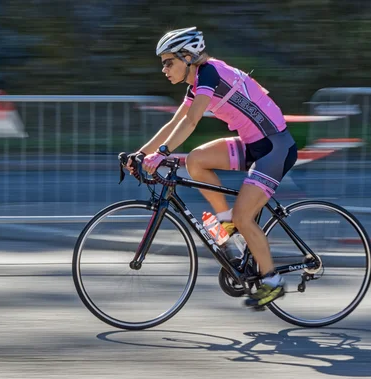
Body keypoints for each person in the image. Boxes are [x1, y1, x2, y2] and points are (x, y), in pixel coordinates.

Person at [126, 27, 297, 309]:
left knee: (245, 217)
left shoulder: (209, 74)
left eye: (169, 62)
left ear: (188, 57)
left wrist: (163, 153)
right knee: (196, 160)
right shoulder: (197, 83)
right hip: (254, 144)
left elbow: (192, 122)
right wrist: (141, 153)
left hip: (275, 148)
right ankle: (226, 220)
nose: (164, 69)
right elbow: (174, 123)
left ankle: (272, 281)